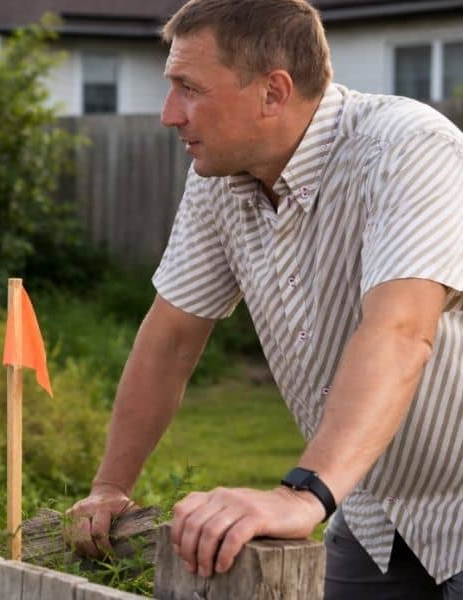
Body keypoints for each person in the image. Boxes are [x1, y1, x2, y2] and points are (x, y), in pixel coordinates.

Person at [64, 0, 463, 596]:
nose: (169, 115)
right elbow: (171, 339)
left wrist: (303, 492)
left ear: (273, 92)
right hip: (375, 509)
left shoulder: (408, 148)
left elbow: (400, 332)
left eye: (189, 89)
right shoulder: (219, 179)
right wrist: (109, 488)